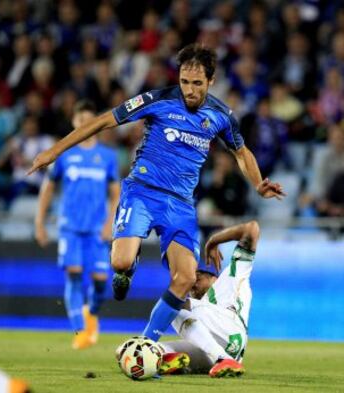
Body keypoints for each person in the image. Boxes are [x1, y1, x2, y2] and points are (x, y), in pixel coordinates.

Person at [28, 44, 285, 346]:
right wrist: (54, 151)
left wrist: (257, 183)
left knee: (186, 278)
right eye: (184, 82)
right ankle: (129, 266)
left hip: (180, 205)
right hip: (142, 192)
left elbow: (241, 153)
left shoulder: (221, 115)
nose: (189, 90)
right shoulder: (157, 99)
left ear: (211, 81)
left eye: (197, 83)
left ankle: (146, 343)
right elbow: (102, 121)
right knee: (120, 263)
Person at [35, 100, 120, 349]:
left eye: (88, 120)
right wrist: (39, 222)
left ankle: (90, 314)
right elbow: (48, 188)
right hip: (70, 226)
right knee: (73, 273)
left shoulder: (107, 156)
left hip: (97, 228)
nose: (84, 124)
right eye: (80, 120)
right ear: (74, 122)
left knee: (102, 279)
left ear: (96, 124)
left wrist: (110, 223)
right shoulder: (65, 154)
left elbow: (116, 193)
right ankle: (79, 331)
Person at [160, 220, 259, 377]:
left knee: (175, 305)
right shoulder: (201, 305)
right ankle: (214, 362)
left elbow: (252, 228)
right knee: (158, 351)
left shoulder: (231, 276)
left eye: (197, 278)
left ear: (211, 273)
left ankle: (223, 359)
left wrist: (214, 241)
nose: (192, 285)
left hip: (231, 331)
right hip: (211, 347)